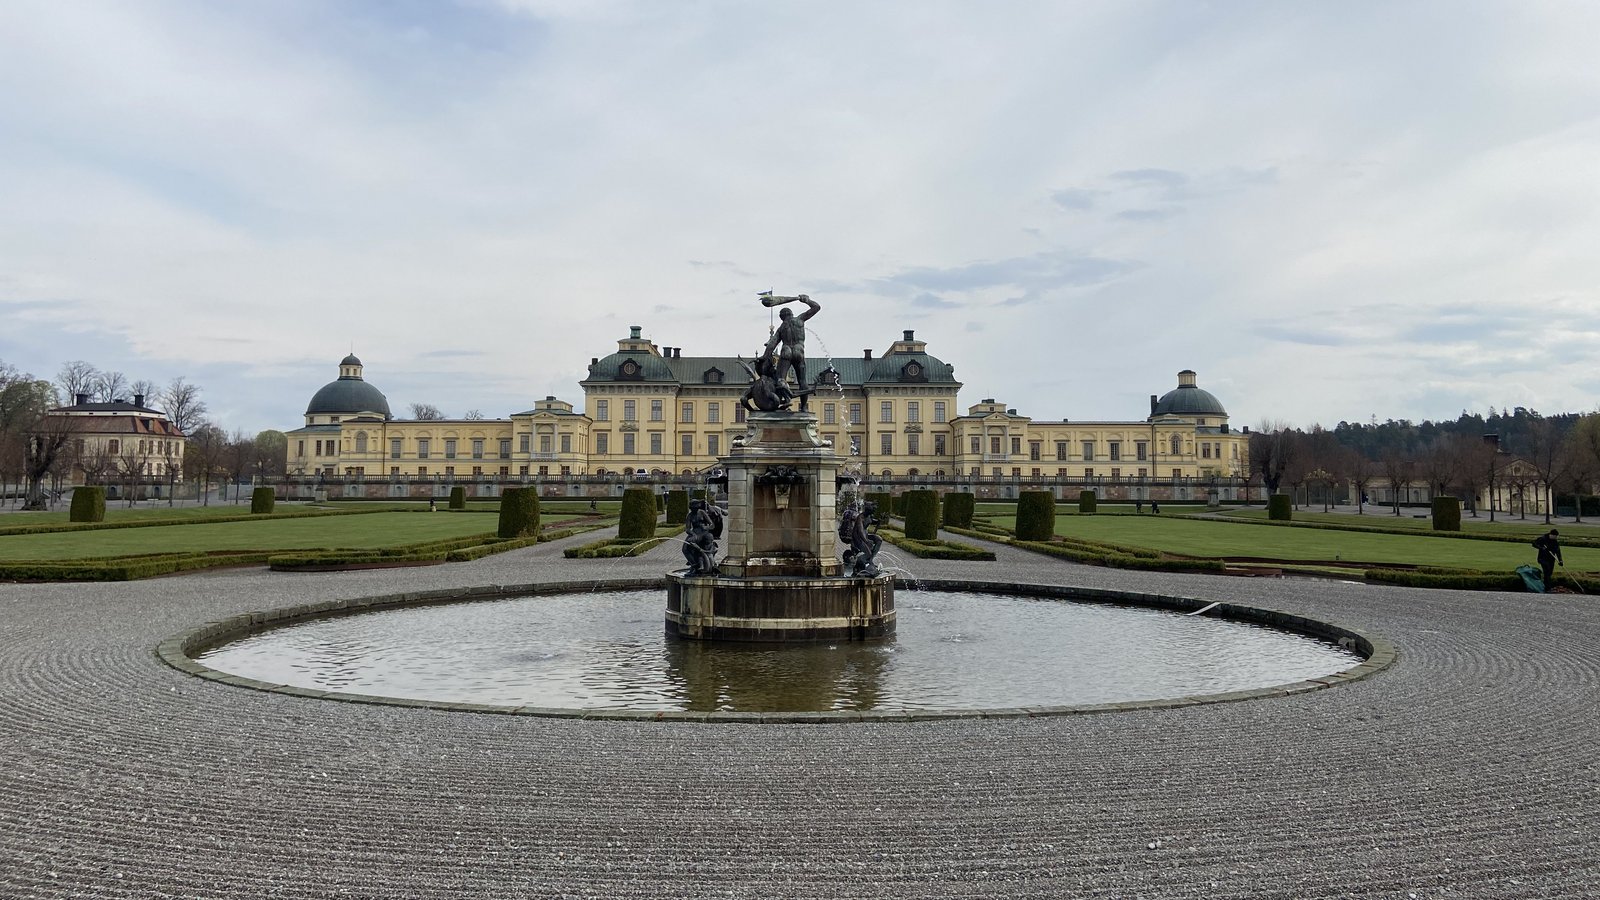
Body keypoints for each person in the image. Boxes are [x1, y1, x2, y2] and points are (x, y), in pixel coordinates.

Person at [761, 294, 821, 409]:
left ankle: (787, 399)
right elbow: (816, 307)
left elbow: (771, 345)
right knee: (802, 381)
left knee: (780, 379)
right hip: (799, 351)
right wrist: (807, 300)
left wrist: (764, 357)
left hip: (786, 351)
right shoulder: (800, 320)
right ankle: (803, 408)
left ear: (781, 317)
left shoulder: (782, 328)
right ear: (792, 314)